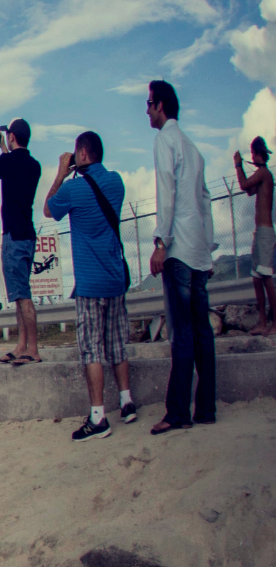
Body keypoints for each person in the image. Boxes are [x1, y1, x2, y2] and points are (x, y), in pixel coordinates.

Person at [44, 130, 136, 439]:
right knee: (117, 344)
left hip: (89, 285)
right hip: (115, 279)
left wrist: (61, 173)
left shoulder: (74, 190)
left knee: (92, 351)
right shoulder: (117, 182)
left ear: (82, 154)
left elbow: (48, 209)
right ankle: (127, 402)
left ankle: (98, 418)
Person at [147, 80, 217, 432]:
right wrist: (210, 247)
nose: (146, 111)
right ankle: (206, 408)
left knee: (182, 332)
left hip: (178, 251)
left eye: (148, 104)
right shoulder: (193, 148)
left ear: (160, 105)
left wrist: (161, 241)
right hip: (199, 251)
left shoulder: (165, 140)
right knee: (203, 330)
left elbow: (166, 191)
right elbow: (205, 202)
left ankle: (177, 413)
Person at [0, 118, 43, 365]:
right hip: (28, 234)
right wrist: (4, 146)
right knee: (20, 294)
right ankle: (22, 346)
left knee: (23, 296)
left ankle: (33, 349)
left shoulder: (6, 161)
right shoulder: (34, 165)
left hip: (13, 237)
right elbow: (12, 163)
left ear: (11, 137)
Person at [235, 137, 274, 334]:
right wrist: (242, 168)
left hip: (265, 233)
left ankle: (275, 323)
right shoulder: (261, 175)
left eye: (253, 153)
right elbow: (249, 191)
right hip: (260, 233)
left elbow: (243, 185)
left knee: (266, 277)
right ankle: (262, 322)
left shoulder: (264, 173)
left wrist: (237, 166)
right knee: (257, 278)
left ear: (257, 154)